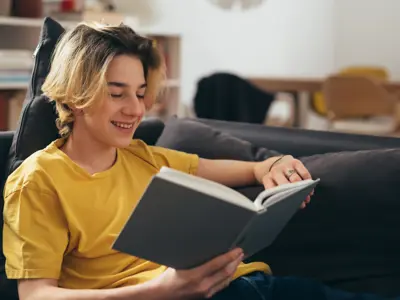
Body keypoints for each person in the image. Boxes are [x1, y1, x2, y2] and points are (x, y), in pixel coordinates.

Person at [2, 22, 393, 300]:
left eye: (140, 93)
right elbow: (36, 294)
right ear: (74, 95)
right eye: (117, 93)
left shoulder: (143, 157)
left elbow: (234, 169)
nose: (135, 109)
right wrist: (160, 292)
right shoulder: (38, 180)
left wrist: (269, 167)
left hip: (250, 285)